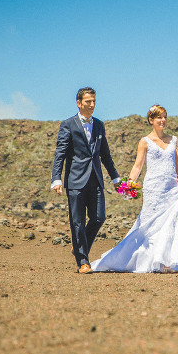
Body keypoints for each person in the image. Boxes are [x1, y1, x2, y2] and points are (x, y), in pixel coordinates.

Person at [91, 104, 178, 273]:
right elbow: (137, 166)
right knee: (150, 226)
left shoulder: (174, 140)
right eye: (159, 117)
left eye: (165, 117)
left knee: (171, 224)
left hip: (172, 189)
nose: (163, 120)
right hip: (153, 189)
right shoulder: (145, 141)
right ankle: (141, 261)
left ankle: (166, 263)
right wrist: (129, 184)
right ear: (151, 120)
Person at [51, 87, 120, 274]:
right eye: (88, 101)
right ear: (79, 103)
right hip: (75, 180)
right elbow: (60, 154)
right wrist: (56, 179)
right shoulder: (68, 125)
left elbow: (105, 154)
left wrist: (115, 177)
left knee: (99, 217)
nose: (92, 105)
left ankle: (79, 246)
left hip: (95, 179)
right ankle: (83, 262)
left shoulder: (99, 125)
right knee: (77, 222)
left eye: (94, 101)